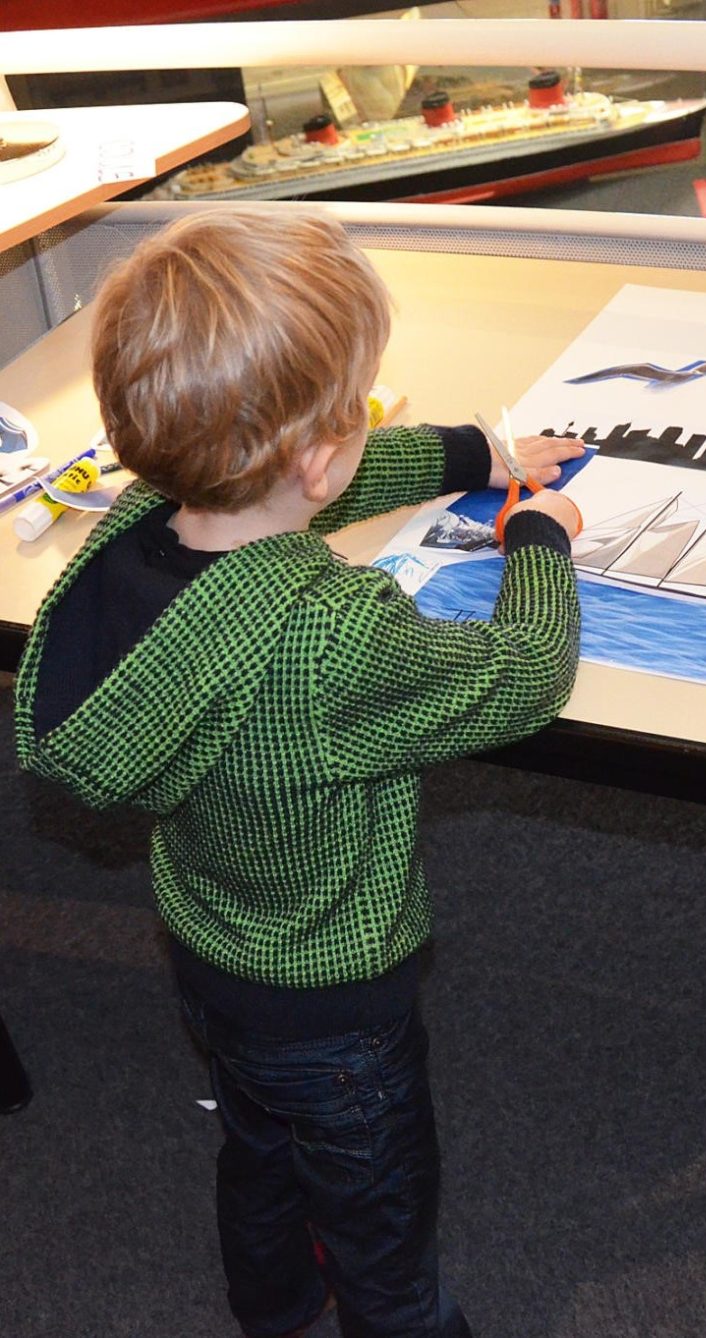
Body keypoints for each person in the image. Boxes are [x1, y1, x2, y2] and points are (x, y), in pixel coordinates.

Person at [14, 207, 584, 1338]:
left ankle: (270, 1310)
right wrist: (540, 536)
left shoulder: (134, 524)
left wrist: (477, 453)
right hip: (337, 1004)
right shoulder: (323, 633)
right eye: (354, 420)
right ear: (319, 452)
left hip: (211, 945)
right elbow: (522, 679)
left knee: (260, 1155)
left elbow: (321, 477)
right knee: (381, 1221)